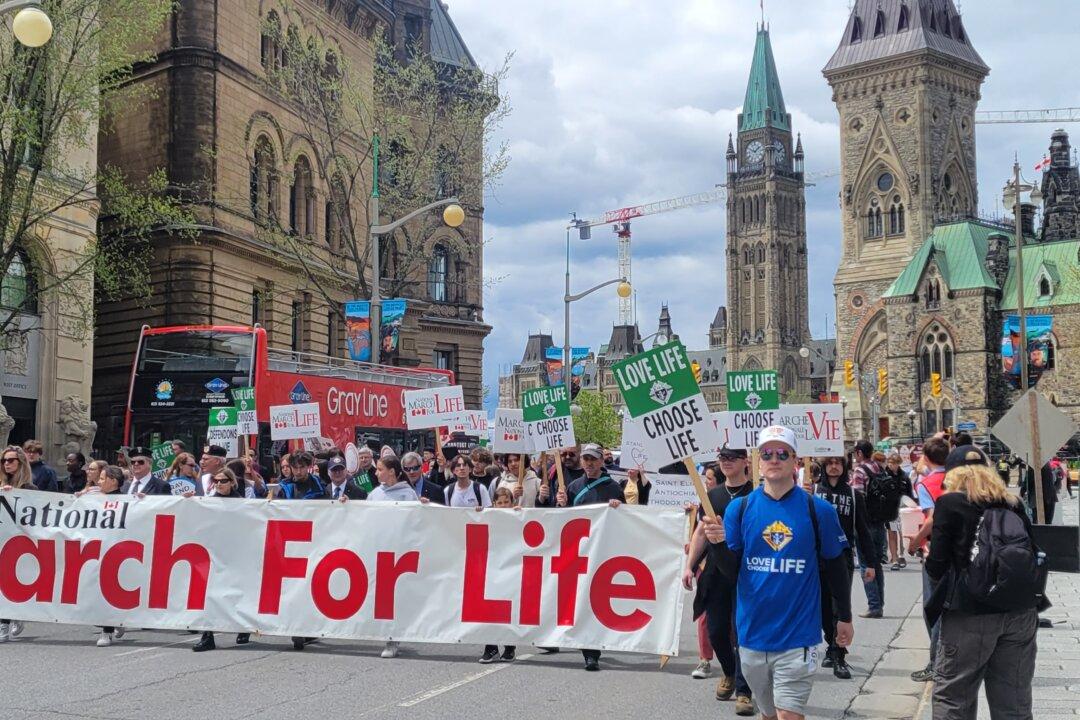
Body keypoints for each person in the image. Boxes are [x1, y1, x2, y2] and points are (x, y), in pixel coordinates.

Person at [702, 426, 853, 720]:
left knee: (788, 716)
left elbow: (837, 566)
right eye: (767, 453)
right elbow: (732, 571)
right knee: (770, 714)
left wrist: (844, 617)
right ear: (758, 460)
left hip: (799, 636)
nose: (774, 459)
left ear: (795, 460)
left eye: (782, 453)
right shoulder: (739, 509)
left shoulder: (818, 510)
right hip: (752, 636)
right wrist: (717, 544)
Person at [926, 446, 1043, 720]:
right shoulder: (1012, 502)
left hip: (970, 613)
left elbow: (936, 567)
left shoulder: (950, 503)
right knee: (1014, 701)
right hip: (1020, 612)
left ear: (953, 474)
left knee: (954, 697)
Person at [683, 448, 755, 716]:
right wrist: (689, 566)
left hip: (745, 571)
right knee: (715, 630)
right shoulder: (711, 495)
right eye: (722, 459)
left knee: (741, 632)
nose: (725, 463)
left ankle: (744, 690)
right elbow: (701, 531)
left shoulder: (755, 492)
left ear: (745, 462)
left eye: (731, 458)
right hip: (715, 571)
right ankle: (728, 672)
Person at [555, 443, 624, 671]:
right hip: (578, 551)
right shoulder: (573, 487)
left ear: (601, 461)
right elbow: (560, 521)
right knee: (578, 600)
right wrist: (559, 504)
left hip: (601, 552)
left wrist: (618, 507)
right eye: (586, 459)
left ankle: (592, 649)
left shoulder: (613, 487)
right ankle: (586, 647)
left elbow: (626, 518)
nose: (590, 463)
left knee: (594, 599)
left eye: (593, 459)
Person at [814, 456, 876, 677]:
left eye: (838, 463)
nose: (833, 467)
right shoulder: (812, 492)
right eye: (829, 463)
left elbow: (863, 530)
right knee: (823, 609)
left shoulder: (853, 495)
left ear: (844, 467)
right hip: (816, 559)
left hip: (843, 558)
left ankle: (839, 654)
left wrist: (871, 563)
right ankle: (831, 644)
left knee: (840, 607)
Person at [193, 468, 251, 651]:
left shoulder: (242, 503)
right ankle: (207, 636)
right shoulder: (209, 502)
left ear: (232, 482)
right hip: (213, 554)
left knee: (236, 593)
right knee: (209, 594)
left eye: (223, 481)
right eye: (216, 481)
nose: (219, 484)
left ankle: (243, 626)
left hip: (235, 554)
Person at [367, 455, 420, 658]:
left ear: (392, 471)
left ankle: (392, 638)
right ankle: (387, 633)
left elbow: (416, 523)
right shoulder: (374, 494)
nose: (376, 472)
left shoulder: (408, 494)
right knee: (382, 597)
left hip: (400, 553)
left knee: (395, 596)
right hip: (379, 551)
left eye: (380, 469)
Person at [907, 436, 950, 682]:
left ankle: (936, 663)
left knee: (932, 609)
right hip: (962, 549)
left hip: (935, 550)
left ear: (926, 457)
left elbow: (932, 518)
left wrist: (915, 541)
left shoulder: (927, 483)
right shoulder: (959, 478)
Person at [478, 486, 520, 663]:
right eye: (499, 503)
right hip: (493, 567)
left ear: (512, 503)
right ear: (493, 504)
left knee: (509, 609)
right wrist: (478, 514)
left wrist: (522, 514)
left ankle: (509, 647)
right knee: (490, 609)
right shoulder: (488, 517)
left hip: (512, 567)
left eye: (506, 502)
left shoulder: (519, 517)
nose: (503, 506)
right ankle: (491, 647)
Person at [91, 466, 130, 646]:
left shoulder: (128, 500)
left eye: (102, 478)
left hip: (119, 553)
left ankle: (110, 627)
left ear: (113, 481)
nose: (98, 482)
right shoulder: (93, 500)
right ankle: (110, 626)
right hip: (98, 551)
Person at [0, 446, 35, 642]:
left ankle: (16, 615)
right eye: (4, 460)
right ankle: (4, 623)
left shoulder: (30, 490)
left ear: (20, 463)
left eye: (11, 460)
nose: (7, 464)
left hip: (21, 544)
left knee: (14, 583)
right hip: (1, 542)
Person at [883, 454, 915, 570]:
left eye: (894, 463)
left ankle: (901, 555)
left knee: (902, 533)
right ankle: (894, 558)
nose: (892, 465)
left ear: (898, 463)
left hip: (903, 508)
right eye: (890, 462)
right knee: (892, 533)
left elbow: (909, 494)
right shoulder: (884, 476)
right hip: (890, 509)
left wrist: (912, 506)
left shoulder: (904, 477)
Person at [1019, 460, 1057, 524]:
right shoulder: (1046, 463)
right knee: (1048, 523)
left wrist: (1020, 494)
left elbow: (1028, 481)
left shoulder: (1034, 464)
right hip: (1050, 497)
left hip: (1037, 498)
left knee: (1038, 525)